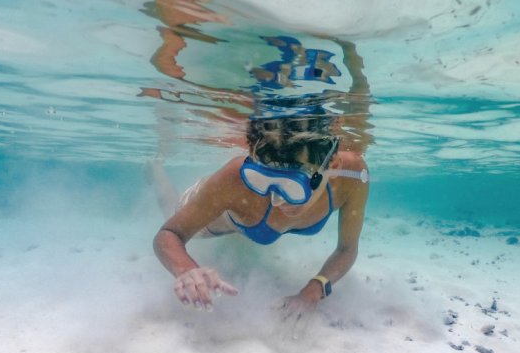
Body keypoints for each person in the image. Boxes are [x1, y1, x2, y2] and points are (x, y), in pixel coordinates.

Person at [152, 97, 370, 320]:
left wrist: (314, 289)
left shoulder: (352, 177)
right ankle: (155, 171)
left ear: (331, 166)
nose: (277, 200)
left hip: (250, 219)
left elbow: (347, 249)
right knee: (172, 209)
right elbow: (169, 234)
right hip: (221, 218)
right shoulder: (235, 178)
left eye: (294, 186)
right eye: (264, 180)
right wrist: (186, 270)